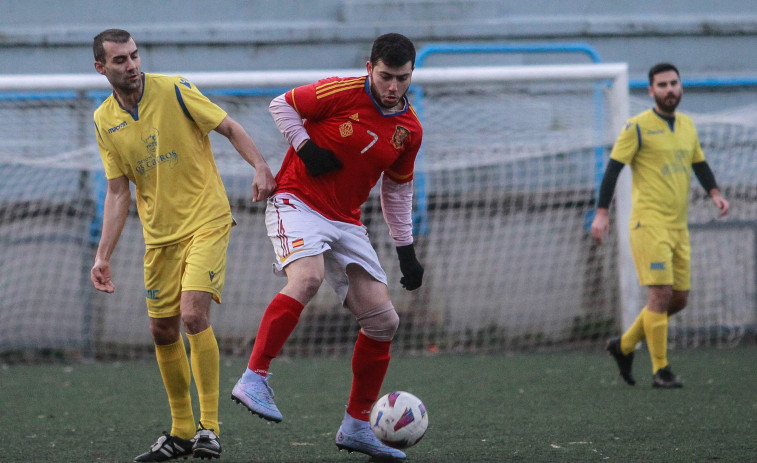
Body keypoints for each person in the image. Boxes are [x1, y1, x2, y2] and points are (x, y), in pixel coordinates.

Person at [230, 32, 424, 460]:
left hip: (346, 220)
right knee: (309, 276)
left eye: (403, 78)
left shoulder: (408, 131)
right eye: (386, 76)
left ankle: (356, 425)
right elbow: (282, 105)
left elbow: (396, 192)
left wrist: (406, 249)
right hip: (297, 200)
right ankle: (254, 377)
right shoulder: (341, 91)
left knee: (383, 322)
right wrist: (307, 148)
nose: (393, 87)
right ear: (369, 67)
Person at [90, 29, 276, 461]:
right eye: (120, 60)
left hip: (206, 220)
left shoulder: (174, 89)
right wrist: (103, 255)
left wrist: (261, 166)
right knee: (161, 329)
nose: (132, 65)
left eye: (135, 56)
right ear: (101, 67)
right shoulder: (104, 120)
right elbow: (118, 192)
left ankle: (209, 427)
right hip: (159, 237)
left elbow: (227, 126)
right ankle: (180, 431)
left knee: (193, 314)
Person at [591, 62, 729, 388]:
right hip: (648, 224)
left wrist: (715, 193)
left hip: (678, 227)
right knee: (661, 293)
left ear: (681, 87)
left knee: (678, 299)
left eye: (674, 84)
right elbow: (613, 169)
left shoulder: (687, 126)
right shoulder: (637, 127)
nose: (669, 90)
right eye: (662, 85)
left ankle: (623, 347)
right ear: (651, 91)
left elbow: (699, 163)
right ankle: (661, 371)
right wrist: (601, 212)